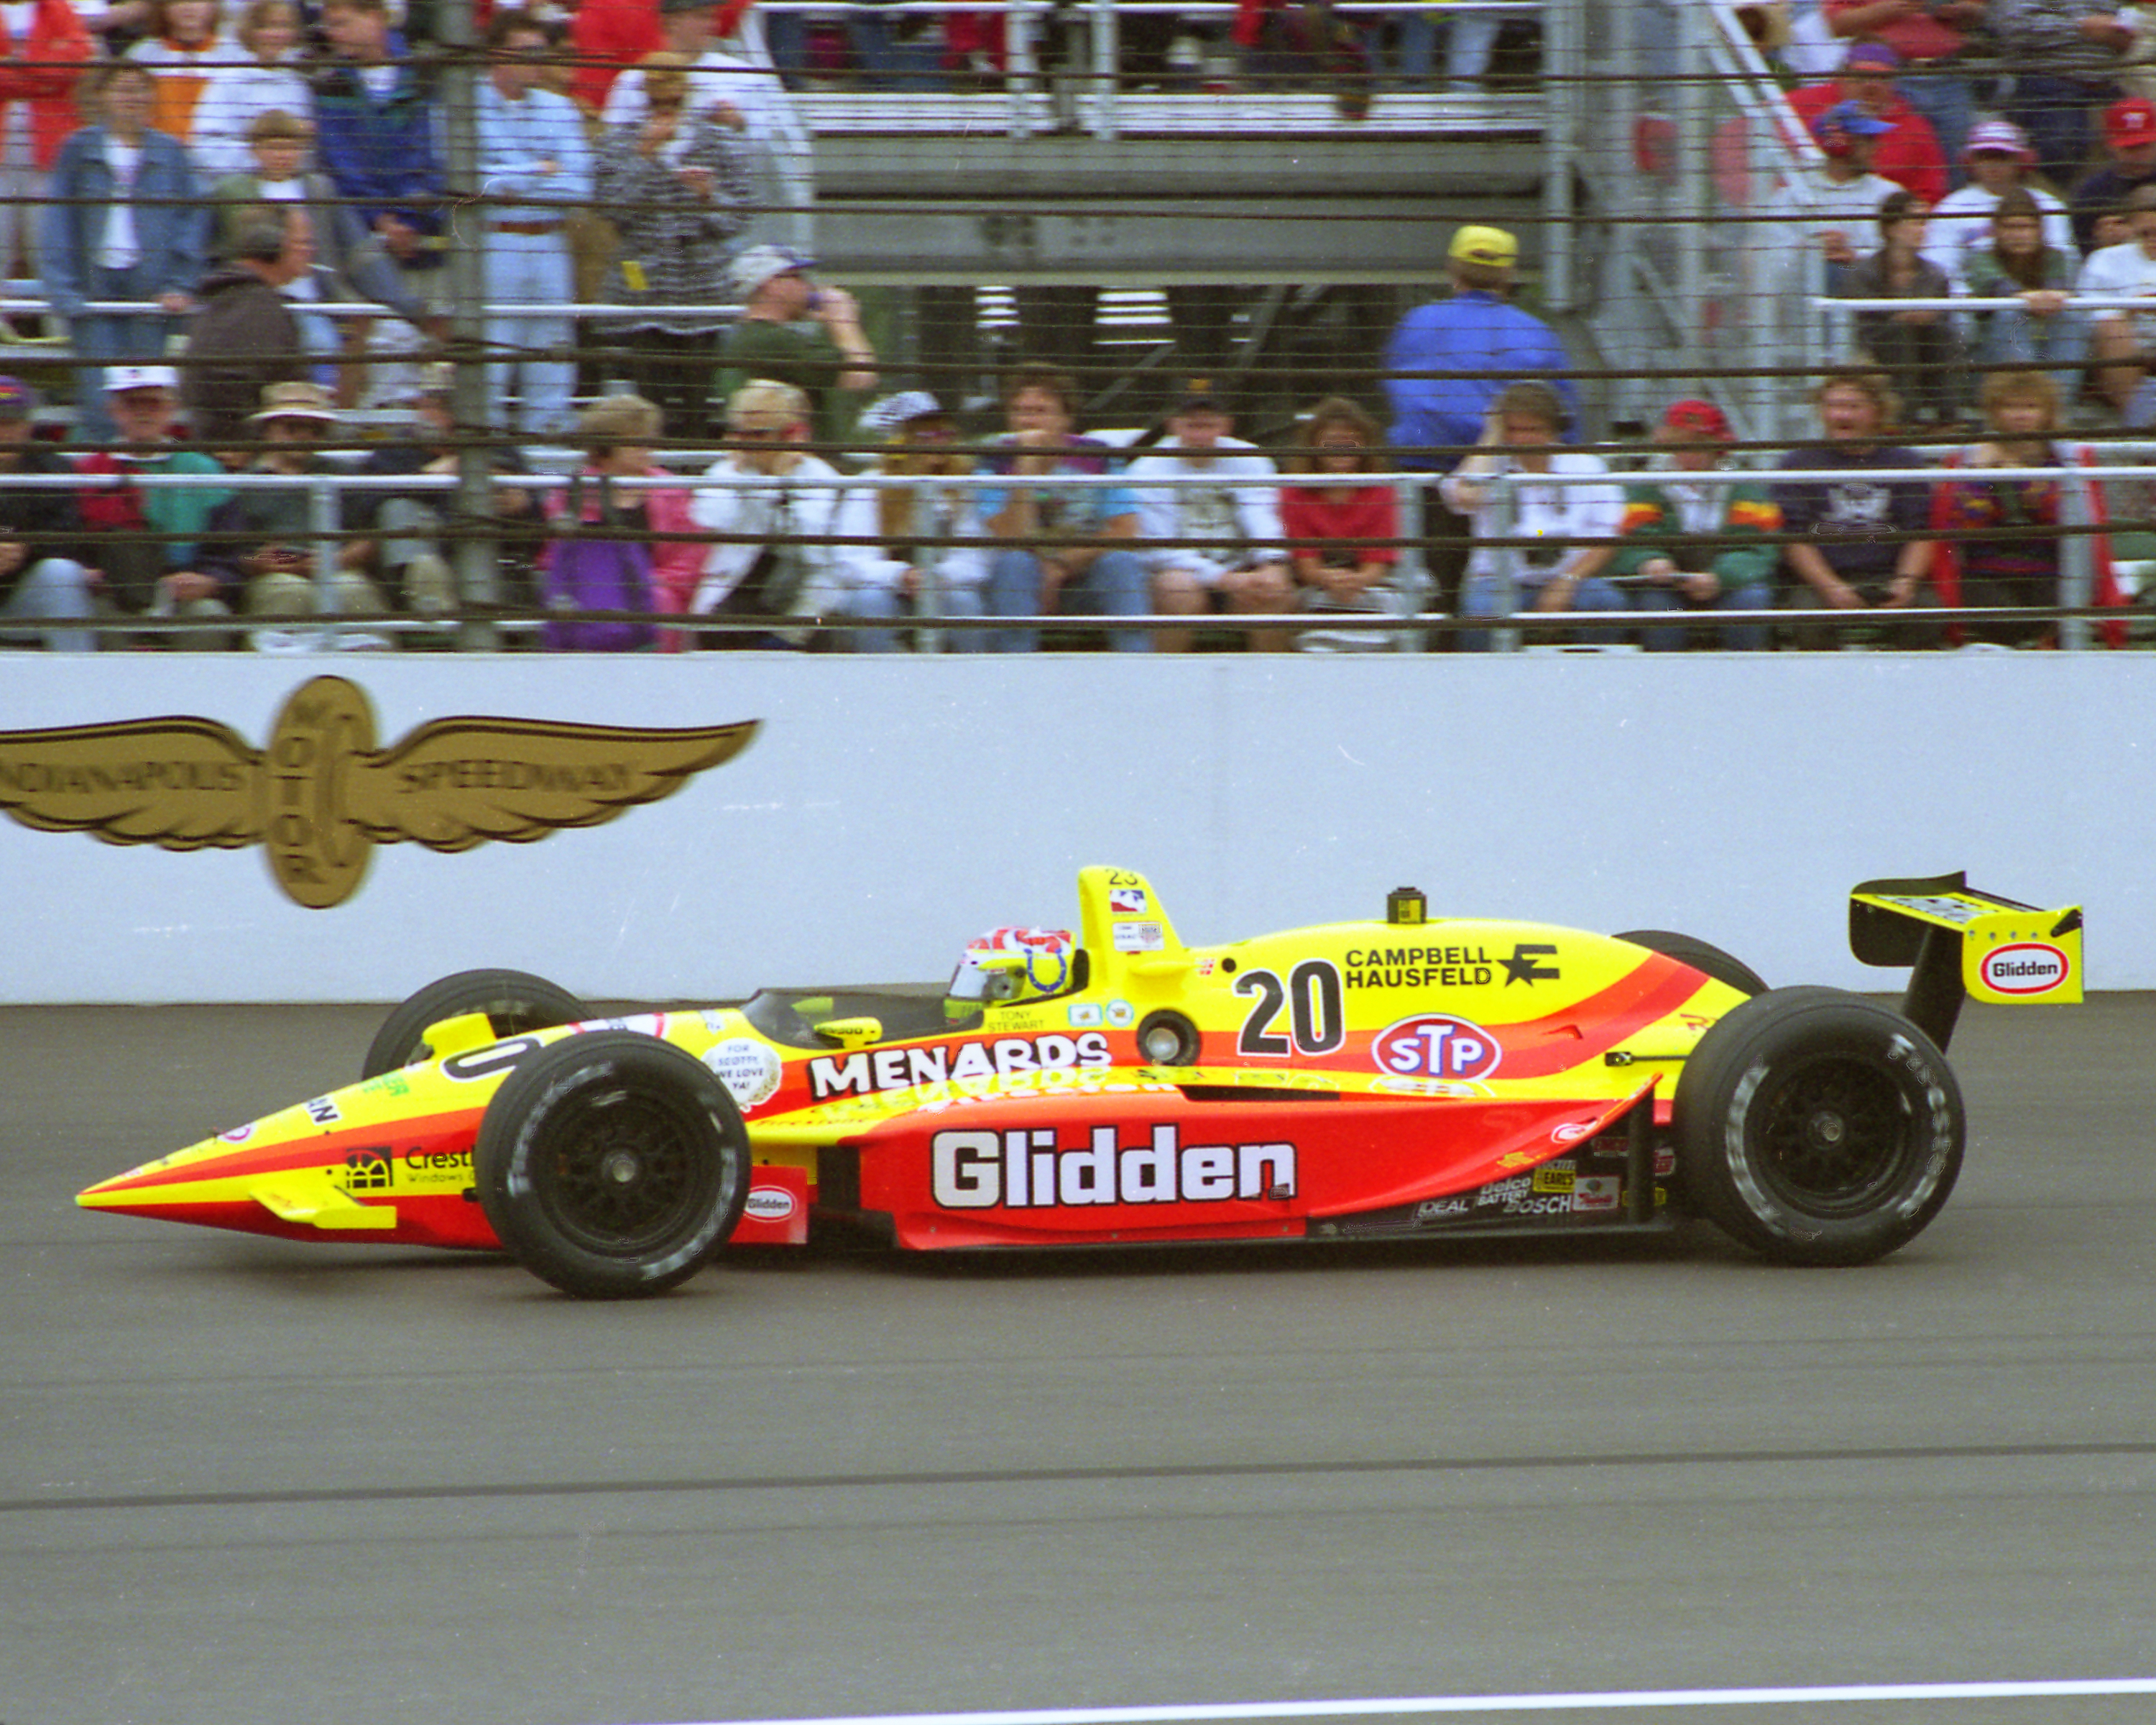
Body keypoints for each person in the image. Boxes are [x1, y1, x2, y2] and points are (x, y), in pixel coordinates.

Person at [1383, 223, 1580, 621]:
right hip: (1506, 481)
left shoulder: (1417, 323)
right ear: (1509, 274)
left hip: (1425, 479)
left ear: (1452, 269)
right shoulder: (1537, 333)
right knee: (1503, 589)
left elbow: (1393, 387)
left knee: (1431, 591)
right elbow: (1564, 417)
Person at [208, 109, 438, 404]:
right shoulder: (230, 192)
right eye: (272, 147)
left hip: (313, 302)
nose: (282, 156)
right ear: (254, 149)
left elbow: (359, 250)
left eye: (290, 147)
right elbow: (215, 252)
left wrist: (402, 303)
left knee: (324, 346)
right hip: (255, 303)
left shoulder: (319, 188)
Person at [38, 61, 206, 445]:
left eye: (141, 89)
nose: (133, 98)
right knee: (100, 396)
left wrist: (181, 283)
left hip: (152, 295)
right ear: (102, 96)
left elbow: (192, 220)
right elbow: (58, 220)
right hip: (92, 291)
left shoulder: (171, 152)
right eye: (123, 89)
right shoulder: (78, 149)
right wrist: (62, 289)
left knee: (146, 393)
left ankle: (145, 480)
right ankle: (102, 485)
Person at [594, 50, 754, 441]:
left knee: (700, 394)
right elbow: (612, 211)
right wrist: (644, 157)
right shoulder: (619, 143)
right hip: (642, 280)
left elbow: (739, 217)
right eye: (656, 96)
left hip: (701, 279)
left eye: (674, 96)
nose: (665, 106)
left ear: (688, 91)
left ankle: (695, 468)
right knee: (649, 394)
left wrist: (708, 196)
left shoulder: (718, 141)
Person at [688, 377, 901, 649]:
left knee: (818, 633)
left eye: (758, 434)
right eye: (740, 433)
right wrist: (749, 479)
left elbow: (811, 544)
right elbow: (711, 517)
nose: (747, 443)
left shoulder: (819, 476)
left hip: (801, 603)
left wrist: (781, 483)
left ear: (787, 434)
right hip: (734, 597)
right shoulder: (726, 472)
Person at [310, 0, 447, 411]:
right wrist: (383, 220)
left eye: (341, 23)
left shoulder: (428, 76)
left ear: (374, 17)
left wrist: (410, 218)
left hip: (430, 233)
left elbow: (435, 151)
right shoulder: (330, 83)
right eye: (328, 26)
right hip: (366, 237)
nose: (333, 33)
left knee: (437, 350)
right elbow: (339, 163)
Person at [1930, 366, 2128, 644]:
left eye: (2031, 406)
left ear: (2048, 412)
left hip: (2048, 572)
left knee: (2060, 606)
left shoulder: (2068, 460)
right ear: (1994, 412)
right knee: (2001, 619)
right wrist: (1980, 476)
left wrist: (2026, 480)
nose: (2021, 415)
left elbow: (2067, 521)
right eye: (2010, 406)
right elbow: (1964, 523)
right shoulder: (1968, 459)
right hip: (1984, 573)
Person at [474, 9, 594, 440]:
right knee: (489, 365)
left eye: (540, 53)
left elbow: (579, 187)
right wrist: (538, 171)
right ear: (496, 54)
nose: (535, 62)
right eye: (525, 52)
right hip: (493, 244)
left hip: (551, 245)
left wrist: (509, 176)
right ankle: (483, 474)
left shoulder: (561, 109)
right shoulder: (462, 104)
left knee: (552, 366)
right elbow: (466, 182)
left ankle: (546, 484)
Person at [1441, 380, 1626, 649]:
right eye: (1514, 429)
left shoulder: (1587, 466)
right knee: (1481, 612)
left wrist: (1566, 582)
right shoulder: (1489, 466)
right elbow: (1463, 495)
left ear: (1556, 428)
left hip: (1570, 578)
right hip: (1499, 583)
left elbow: (1609, 535)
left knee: (1605, 604)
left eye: (1533, 430)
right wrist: (1491, 435)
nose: (1523, 439)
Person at [976, 365, 1150, 653]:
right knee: (1014, 564)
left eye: (1040, 411)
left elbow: (1125, 529)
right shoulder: (993, 459)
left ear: (1065, 417)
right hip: (1023, 581)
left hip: (1087, 576)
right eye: (1020, 411)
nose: (1027, 420)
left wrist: (1061, 565)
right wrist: (1026, 465)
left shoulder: (1099, 456)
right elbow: (1010, 536)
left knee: (1122, 563)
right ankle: (1015, 674)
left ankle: (1138, 671)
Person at [196, 379, 388, 635]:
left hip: (338, 567)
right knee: (288, 592)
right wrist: (257, 562)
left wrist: (338, 560)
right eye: (293, 427)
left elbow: (371, 535)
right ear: (268, 429)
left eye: (315, 429)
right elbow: (227, 553)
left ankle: (374, 664)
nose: (304, 435)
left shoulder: (346, 475)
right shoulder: (243, 484)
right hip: (272, 575)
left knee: (353, 590)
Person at [351, 364, 545, 618]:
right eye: (438, 405)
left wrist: (522, 507)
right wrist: (430, 478)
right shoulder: (394, 452)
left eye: (457, 406)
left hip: (488, 570)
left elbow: (538, 533)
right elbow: (365, 509)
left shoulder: (500, 451)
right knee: (399, 511)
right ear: (421, 405)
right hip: (408, 579)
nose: (449, 416)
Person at [1772, 367, 1943, 647]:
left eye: (1853, 407)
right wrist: (1830, 587)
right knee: (1807, 619)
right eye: (1832, 406)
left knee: (1928, 613)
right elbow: (1793, 538)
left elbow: (1920, 532)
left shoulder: (1905, 461)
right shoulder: (1797, 463)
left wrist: (1906, 583)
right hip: (1821, 580)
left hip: (1888, 575)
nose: (1841, 416)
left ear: (1878, 411)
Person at [1125, 383, 1294, 652]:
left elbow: (1261, 517)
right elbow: (1159, 547)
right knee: (1177, 591)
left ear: (1225, 425)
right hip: (1178, 572)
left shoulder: (1251, 459)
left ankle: (1267, 688)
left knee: (1276, 590)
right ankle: (1165, 686)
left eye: (1208, 425)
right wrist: (1223, 578)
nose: (1200, 433)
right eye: (1192, 425)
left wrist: (1272, 563)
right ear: (1173, 424)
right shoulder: (1147, 469)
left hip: (1243, 570)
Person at [72, 364, 233, 642]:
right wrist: (84, 574)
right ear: (113, 410)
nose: (143, 412)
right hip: (111, 594)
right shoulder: (87, 470)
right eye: (132, 404)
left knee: (210, 615)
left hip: (182, 595)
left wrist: (211, 579)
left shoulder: (205, 470)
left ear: (172, 408)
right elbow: (65, 542)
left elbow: (233, 549)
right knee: (93, 618)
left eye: (154, 404)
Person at [1607, 399, 1780, 652]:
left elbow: (1759, 548)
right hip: (1669, 592)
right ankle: (1667, 679)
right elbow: (1630, 540)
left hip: (1729, 589)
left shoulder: (1744, 486)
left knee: (1751, 600)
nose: (1689, 452)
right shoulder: (1646, 487)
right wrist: (1650, 561)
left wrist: (1721, 577)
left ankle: (1745, 677)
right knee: (1663, 610)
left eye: (1700, 443)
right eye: (1681, 442)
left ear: (1717, 445)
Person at [539, 393, 704, 650]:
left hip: (656, 603)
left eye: (649, 439)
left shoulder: (672, 490)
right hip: (590, 602)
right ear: (605, 448)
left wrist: (648, 588)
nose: (646, 448)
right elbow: (557, 557)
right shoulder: (572, 495)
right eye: (635, 441)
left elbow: (689, 556)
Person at [844, 389, 990, 650]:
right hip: (888, 587)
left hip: (944, 586)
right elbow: (852, 560)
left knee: (965, 604)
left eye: (944, 433)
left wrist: (939, 577)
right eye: (926, 434)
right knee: (869, 603)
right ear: (900, 442)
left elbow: (974, 559)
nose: (939, 441)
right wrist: (902, 575)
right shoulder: (870, 486)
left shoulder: (961, 486)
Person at [715, 243, 878, 454]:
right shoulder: (771, 340)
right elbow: (861, 376)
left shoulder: (756, 336)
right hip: (792, 464)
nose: (808, 286)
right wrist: (844, 321)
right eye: (798, 277)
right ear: (771, 285)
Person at [181, 205, 313, 454]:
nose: (310, 251)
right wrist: (241, 447)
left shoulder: (236, 298)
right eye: (301, 243)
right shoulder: (255, 306)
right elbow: (225, 385)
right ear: (271, 245)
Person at [1279, 395, 1407, 651]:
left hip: (1371, 582)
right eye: (1332, 441)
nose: (1341, 447)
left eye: (1351, 440)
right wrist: (1331, 579)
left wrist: (1355, 582)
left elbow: (1376, 565)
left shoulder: (1382, 492)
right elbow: (1306, 567)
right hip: (1316, 584)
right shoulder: (1293, 493)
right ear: (1314, 445)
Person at [0, 0, 96, 318]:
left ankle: (62, 336)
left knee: (49, 247)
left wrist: (15, 67)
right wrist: (43, 73)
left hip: (49, 152)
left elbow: (78, 57)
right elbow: (57, 69)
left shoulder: (57, 9)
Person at [1838, 188, 1966, 425]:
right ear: (1892, 228)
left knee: (1945, 334)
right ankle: (1905, 420)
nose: (1923, 230)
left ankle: (1948, 418)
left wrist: (1924, 318)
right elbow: (1866, 325)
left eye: (1924, 223)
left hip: (1928, 349)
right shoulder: (1863, 273)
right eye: (1915, 222)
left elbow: (1942, 318)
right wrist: (1902, 319)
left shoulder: (1935, 275)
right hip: (1877, 350)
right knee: (1900, 333)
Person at [1989, 0, 2132, 193]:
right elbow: (2015, 28)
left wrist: (2124, 36)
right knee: (2059, 149)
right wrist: (2079, 28)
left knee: (2136, 147)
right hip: (2047, 80)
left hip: (2111, 82)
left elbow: (2128, 20)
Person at [1963, 188, 2091, 403]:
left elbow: (2055, 291)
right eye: (2010, 227)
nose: (2018, 234)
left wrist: (2045, 299)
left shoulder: (2054, 257)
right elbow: (2001, 287)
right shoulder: (1981, 259)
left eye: (2026, 227)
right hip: (1989, 362)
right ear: (1995, 230)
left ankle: (2056, 408)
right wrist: (2030, 298)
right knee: (2010, 314)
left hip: (2045, 351)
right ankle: (2025, 400)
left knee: (2072, 317)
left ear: (2039, 230)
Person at [1822, 0, 1984, 168]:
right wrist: (1883, 10)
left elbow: (1979, 13)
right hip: (1889, 76)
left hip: (1948, 73)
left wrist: (1963, 11)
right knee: (1891, 152)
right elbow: (1836, 25)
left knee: (1956, 157)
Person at [0, 377, 98, 651]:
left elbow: (68, 534)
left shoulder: (53, 467)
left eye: (11, 423)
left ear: (29, 425)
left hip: (21, 594)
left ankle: (79, 679)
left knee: (61, 572)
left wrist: (24, 546)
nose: (3, 433)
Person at [1787, 42, 1948, 203]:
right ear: (1843, 78)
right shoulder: (1801, 105)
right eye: (1861, 77)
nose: (1871, 85)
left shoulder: (1916, 129)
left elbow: (1930, 195)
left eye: (1881, 79)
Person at [1922, 119, 2078, 285]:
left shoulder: (2049, 205)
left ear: (2021, 160)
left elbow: (2064, 259)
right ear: (1971, 161)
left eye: (2002, 157)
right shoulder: (1951, 208)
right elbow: (1941, 266)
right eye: (1984, 157)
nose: (1993, 164)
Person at [187, 0, 308, 181]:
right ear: (251, 32)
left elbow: (307, 151)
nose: (276, 34)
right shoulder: (228, 81)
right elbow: (205, 148)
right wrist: (264, 159)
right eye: (266, 26)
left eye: (284, 26)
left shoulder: (298, 86)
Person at [1795, 100, 1904, 289]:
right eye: (1868, 140)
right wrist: (1810, 251)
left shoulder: (1890, 194)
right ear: (1840, 144)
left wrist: (1856, 259)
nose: (1876, 148)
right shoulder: (1795, 194)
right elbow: (1768, 262)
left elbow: (1907, 259)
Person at [2077, 180, 2156, 418]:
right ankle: (2139, 426)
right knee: (2113, 328)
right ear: (2130, 227)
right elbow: (2089, 316)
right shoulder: (2104, 260)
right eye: (2145, 233)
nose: (2153, 239)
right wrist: (2130, 311)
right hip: (2121, 351)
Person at [124, 0, 237, 154]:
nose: (188, 7)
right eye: (178, 1)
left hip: (216, 157)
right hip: (159, 154)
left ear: (213, 6)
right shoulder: (143, 54)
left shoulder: (233, 53)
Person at [2069, 93, 2156, 249]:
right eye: (2129, 148)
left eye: (2144, 146)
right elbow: (2083, 257)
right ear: (2110, 145)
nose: (2139, 156)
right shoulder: (2091, 193)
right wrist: (2101, 245)